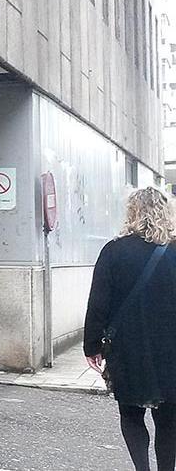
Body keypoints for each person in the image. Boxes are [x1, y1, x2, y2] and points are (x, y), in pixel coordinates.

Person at [85, 187, 176, 471]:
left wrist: (92, 346)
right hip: (171, 349)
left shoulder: (114, 251)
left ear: (133, 213)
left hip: (127, 347)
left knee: (131, 414)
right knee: (169, 421)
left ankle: (142, 468)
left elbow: (98, 302)